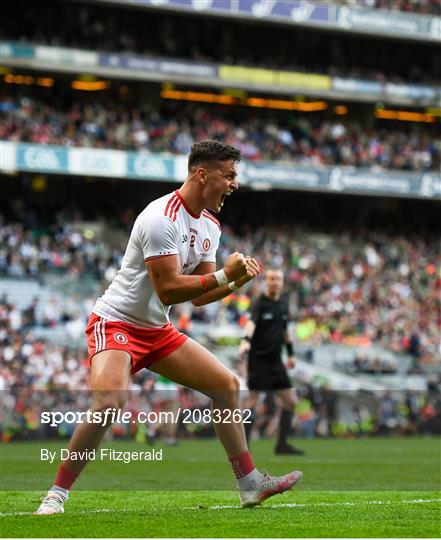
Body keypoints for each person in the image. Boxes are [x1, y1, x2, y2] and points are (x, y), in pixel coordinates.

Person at [35, 140, 302, 514]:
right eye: (229, 175)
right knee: (110, 403)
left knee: (226, 386)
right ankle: (56, 495)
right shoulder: (161, 216)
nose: (234, 184)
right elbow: (169, 287)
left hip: (156, 329)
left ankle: (250, 484)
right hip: (116, 322)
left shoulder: (210, 225)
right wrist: (227, 273)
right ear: (201, 173)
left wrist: (237, 280)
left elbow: (199, 296)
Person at [240, 269, 304, 455]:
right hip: (258, 359)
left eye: (278, 279)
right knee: (252, 401)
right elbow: (251, 323)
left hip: (276, 361)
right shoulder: (260, 303)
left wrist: (291, 354)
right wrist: (245, 341)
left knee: (291, 401)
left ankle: (281, 444)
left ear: (282, 282)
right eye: (271, 279)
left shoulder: (283, 305)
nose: (275, 282)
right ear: (266, 282)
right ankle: (244, 448)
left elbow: (285, 332)